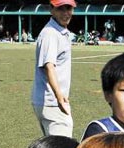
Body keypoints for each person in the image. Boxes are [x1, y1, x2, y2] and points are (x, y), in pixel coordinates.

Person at [31, 0, 76, 137]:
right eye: (60, 9)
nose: (65, 13)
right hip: (52, 102)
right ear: (51, 10)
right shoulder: (51, 34)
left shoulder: (59, 31)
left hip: (51, 101)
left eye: (68, 8)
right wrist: (59, 96)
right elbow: (49, 66)